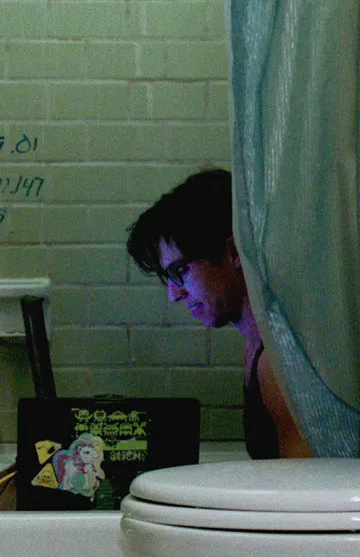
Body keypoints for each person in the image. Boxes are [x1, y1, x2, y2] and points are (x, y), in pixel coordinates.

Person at [126, 168, 311, 459]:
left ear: (234, 252)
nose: (174, 294)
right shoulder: (256, 347)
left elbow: (304, 486)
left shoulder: (276, 364)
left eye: (180, 271)